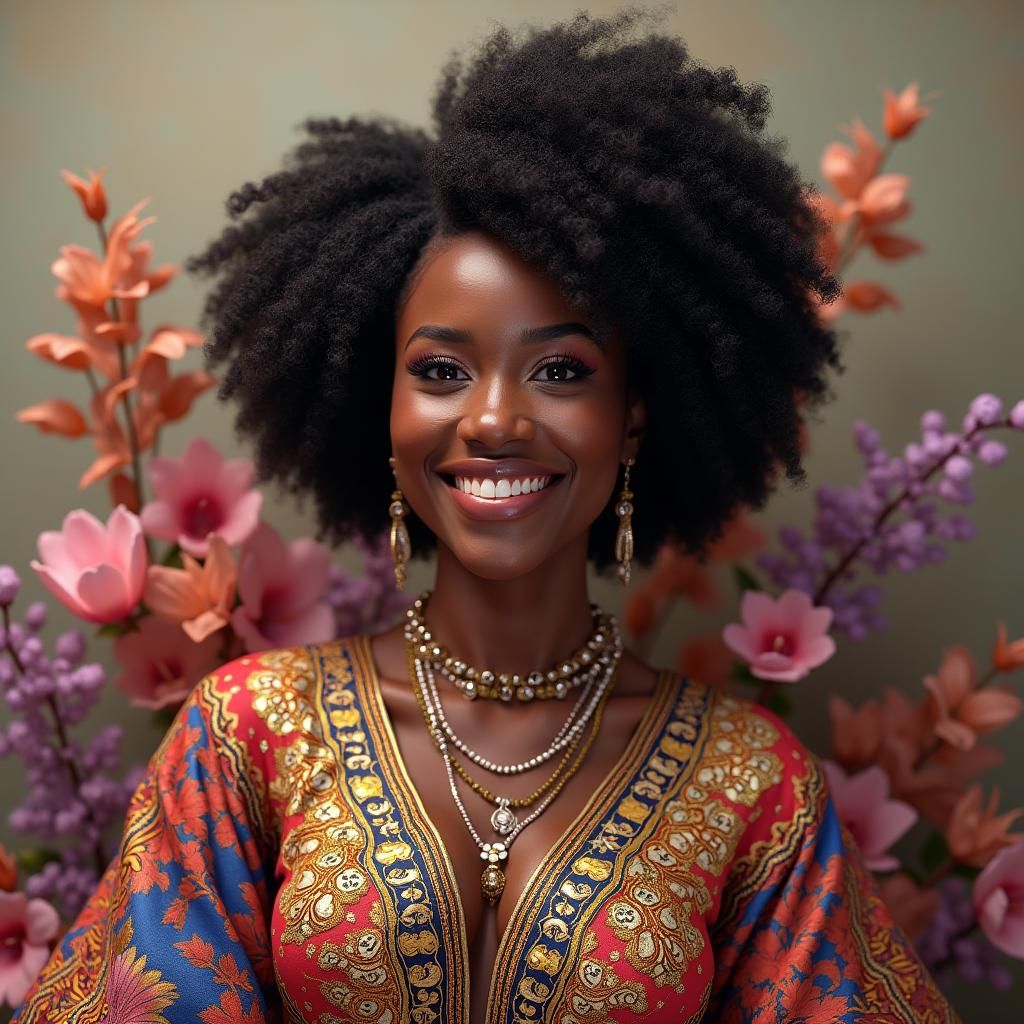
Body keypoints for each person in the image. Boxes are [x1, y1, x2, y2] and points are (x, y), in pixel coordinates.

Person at [16, 10, 959, 1023]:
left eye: (560, 370)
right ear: (379, 406)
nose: (496, 418)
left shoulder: (752, 787)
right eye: (439, 370)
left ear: (633, 416)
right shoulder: (245, 736)